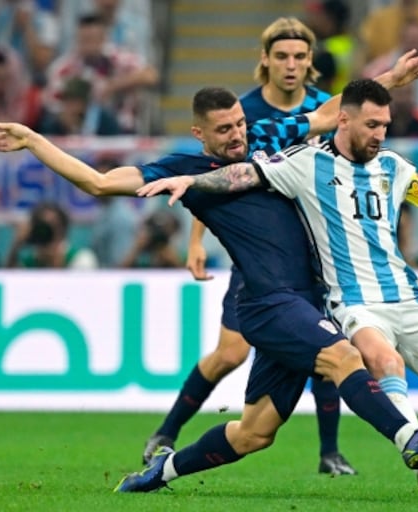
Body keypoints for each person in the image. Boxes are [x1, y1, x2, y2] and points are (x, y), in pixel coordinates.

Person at [0, 54, 418, 497]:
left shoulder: (268, 138)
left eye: (240, 123)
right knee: (343, 356)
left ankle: (161, 471)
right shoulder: (184, 171)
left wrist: (390, 81)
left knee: (254, 432)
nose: (238, 135)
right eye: (225, 130)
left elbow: (334, 113)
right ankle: (411, 440)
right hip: (268, 302)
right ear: (200, 134)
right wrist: (34, 141)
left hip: (308, 300)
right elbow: (99, 181)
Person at [137, 79, 418, 496]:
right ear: (345, 120)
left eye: (385, 125)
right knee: (377, 359)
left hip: (407, 295)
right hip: (349, 301)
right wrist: (191, 182)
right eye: (373, 125)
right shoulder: (305, 162)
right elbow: (242, 174)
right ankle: (412, 442)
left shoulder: (393, 166)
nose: (380, 134)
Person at [145, 16, 350, 476]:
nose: (291, 65)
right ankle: (166, 432)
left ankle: (330, 452)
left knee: (327, 348)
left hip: (310, 252)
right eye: (282, 56)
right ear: (266, 60)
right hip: (255, 256)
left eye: (300, 56)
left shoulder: (324, 110)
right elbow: (213, 179)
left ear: (311, 61)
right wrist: (198, 240)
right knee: (233, 353)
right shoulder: (246, 113)